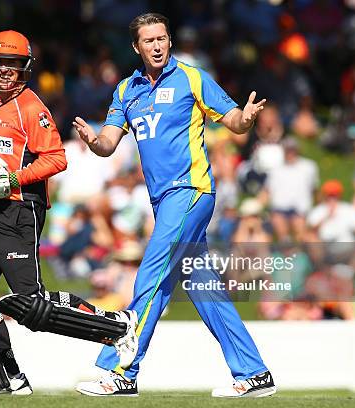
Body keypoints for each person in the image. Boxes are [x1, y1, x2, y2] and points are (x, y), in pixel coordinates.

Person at [0, 30, 138, 396]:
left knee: (27, 305)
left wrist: (13, 181)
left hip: (20, 211)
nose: (5, 70)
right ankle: (7, 379)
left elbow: (57, 158)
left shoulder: (31, 107)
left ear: (24, 67)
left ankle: (117, 328)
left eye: (12, 64)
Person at [72, 13, 275, 398]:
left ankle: (121, 370)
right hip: (163, 200)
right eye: (149, 41)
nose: (158, 45)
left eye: (163, 38)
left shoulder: (191, 77)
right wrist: (91, 140)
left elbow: (233, 120)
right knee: (202, 285)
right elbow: (108, 144)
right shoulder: (125, 91)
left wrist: (246, 119)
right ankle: (254, 372)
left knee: (152, 274)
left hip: (191, 190)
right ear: (137, 47)